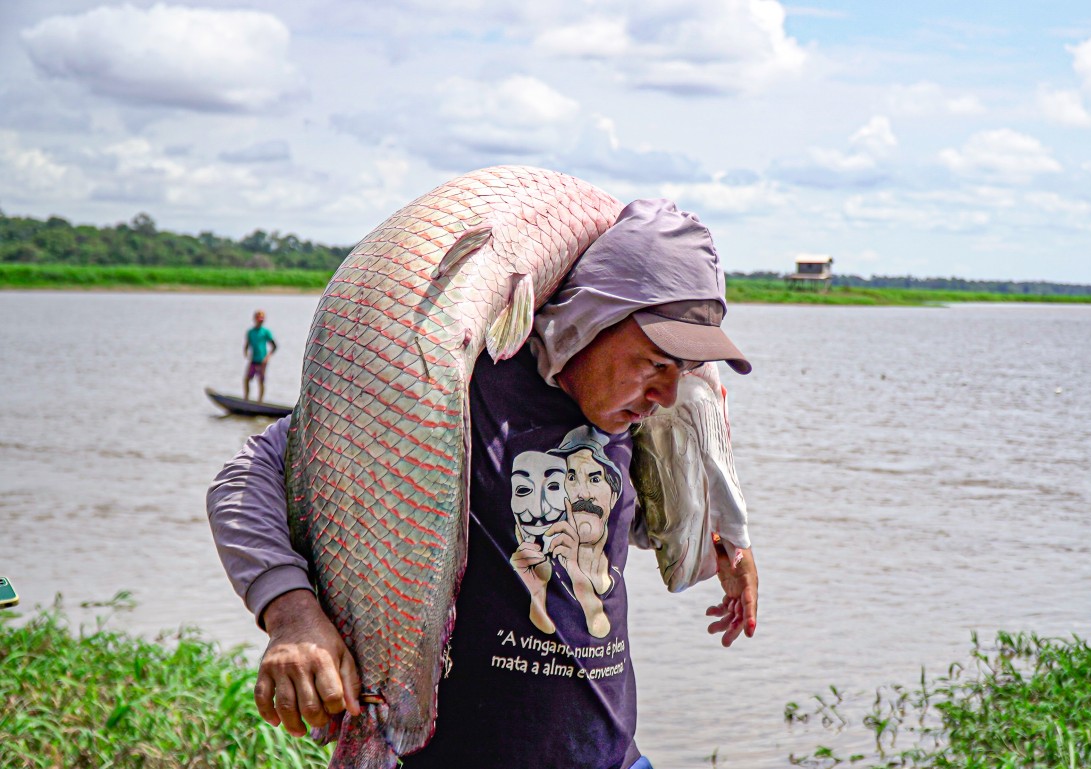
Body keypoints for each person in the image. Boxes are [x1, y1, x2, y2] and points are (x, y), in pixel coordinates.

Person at [207, 199, 759, 769]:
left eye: (681, 373)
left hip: (613, 758)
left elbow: (630, 519)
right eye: (655, 363)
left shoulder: (624, 417)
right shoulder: (452, 388)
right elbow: (244, 479)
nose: (665, 396)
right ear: (595, 319)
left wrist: (724, 543)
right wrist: (291, 615)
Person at [242, 309, 277, 401]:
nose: (260, 321)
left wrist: (268, 357)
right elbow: (247, 344)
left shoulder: (265, 332)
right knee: (247, 379)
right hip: (254, 360)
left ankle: (260, 401)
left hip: (262, 361)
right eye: (258, 319)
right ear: (255, 319)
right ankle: (246, 399)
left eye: (262, 320)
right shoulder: (250, 332)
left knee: (261, 381)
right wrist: (245, 352)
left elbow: (274, 346)